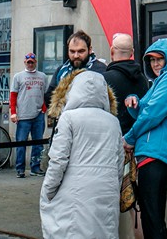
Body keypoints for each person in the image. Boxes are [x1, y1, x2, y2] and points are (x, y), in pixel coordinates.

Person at [40, 70, 124, 239]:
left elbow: (58, 160)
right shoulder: (113, 122)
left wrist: (48, 190)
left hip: (74, 192)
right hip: (106, 192)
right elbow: (119, 164)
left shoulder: (68, 118)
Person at [123, 39, 167, 239]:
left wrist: (130, 137)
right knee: (153, 220)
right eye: (151, 60)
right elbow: (146, 111)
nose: (155, 64)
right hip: (153, 154)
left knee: (152, 221)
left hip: (156, 155)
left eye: (160, 59)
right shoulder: (161, 82)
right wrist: (134, 103)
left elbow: (152, 114)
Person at [104, 33, 151, 239]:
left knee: (110, 200)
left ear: (112, 51)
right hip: (139, 146)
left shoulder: (105, 79)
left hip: (113, 147)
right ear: (132, 53)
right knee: (135, 202)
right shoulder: (144, 80)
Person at [45, 30, 107, 107]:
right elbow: (49, 97)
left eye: (81, 51)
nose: (76, 56)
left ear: (90, 50)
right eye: (72, 51)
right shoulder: (61, 70)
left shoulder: (100, 69)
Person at [10, 51, 47, 178]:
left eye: (32, 62)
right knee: (21, 143)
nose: (30, 64)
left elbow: (46, 94)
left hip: (38, 115)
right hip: (23, 115)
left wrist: (44, 108)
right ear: (25, 62)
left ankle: (35, 168)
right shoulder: (18, 77)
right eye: (28, 62)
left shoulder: (43, 76)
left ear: (35, 62)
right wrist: (13, 113)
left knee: (38, 143)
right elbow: (13, 95)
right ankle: (20, 169)